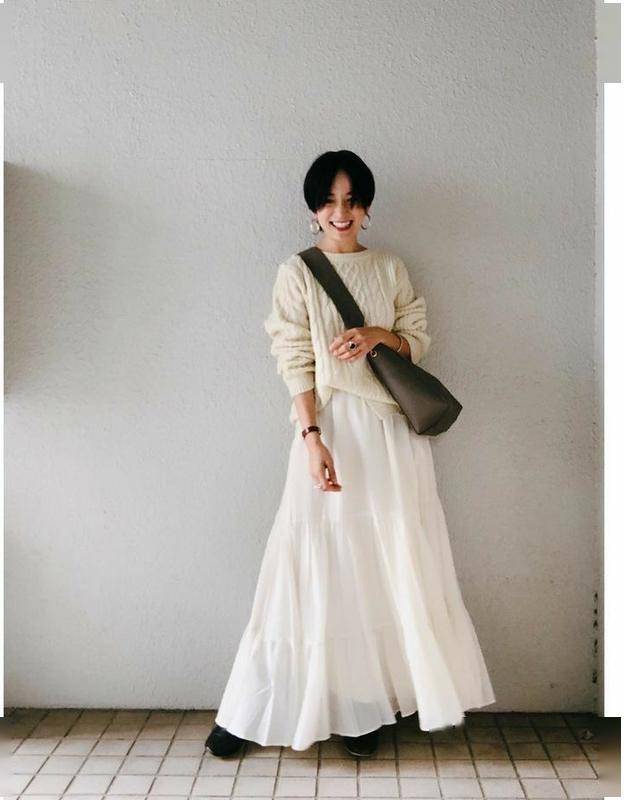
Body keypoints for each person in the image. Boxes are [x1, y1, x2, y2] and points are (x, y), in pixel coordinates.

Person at [205, 150, 496, 759]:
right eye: (329, 201)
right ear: (313, 209)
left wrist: (379, 336)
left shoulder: (390, 267)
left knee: (381, 564)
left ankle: (363, 707)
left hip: (389, 435)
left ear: (366, 206)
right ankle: (250, 708)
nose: (341, 212)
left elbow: (417, 337)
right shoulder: (297, 272)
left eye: (352, 200)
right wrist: (312, 438)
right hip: (330, 429)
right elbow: (293, 357)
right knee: (306, 563)